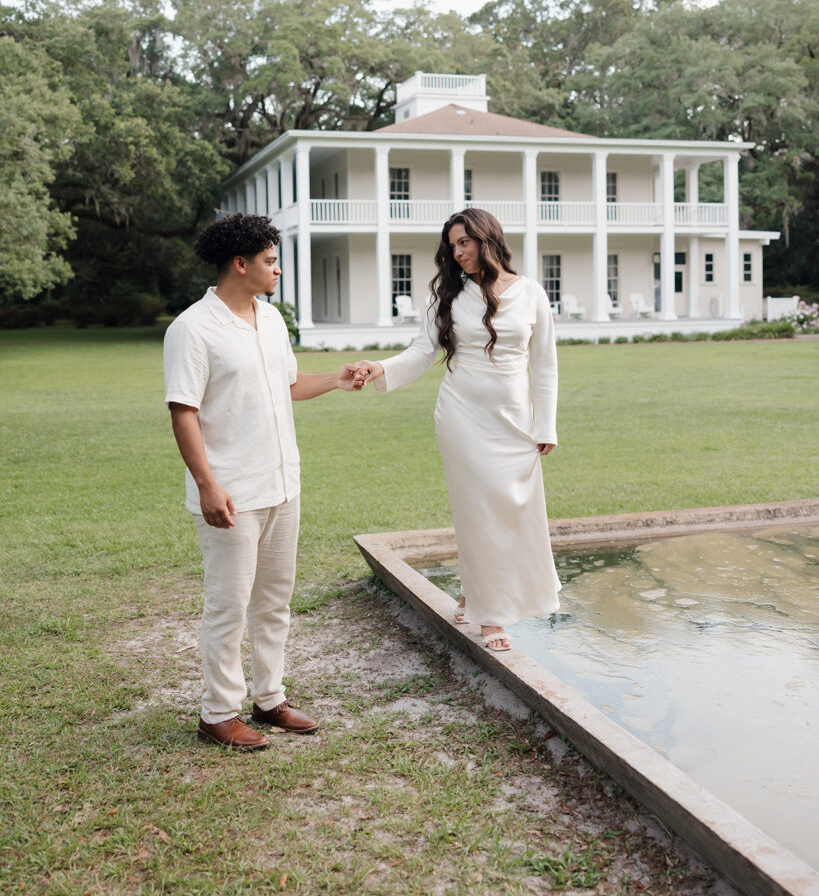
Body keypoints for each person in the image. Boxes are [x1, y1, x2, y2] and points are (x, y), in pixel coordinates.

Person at [163, 213, 363, 751]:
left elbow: (291, 384)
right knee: (228, 603)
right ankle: (217, 712)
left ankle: (269, 698)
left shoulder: (270, 319)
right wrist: (206, 483)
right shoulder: (192, 329)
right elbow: (184, 412)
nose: (278, 270)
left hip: (282, 485)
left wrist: (340, 380)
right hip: (231, 493)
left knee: (274, 599)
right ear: (240, 263)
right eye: (271, 261)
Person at [354, 208, 560, 652]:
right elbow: (419, 353)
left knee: (513, 510)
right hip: (462, 416)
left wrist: (546, 425)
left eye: (463, 242)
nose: (458, 253)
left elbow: (545, 367)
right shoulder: (450, 295)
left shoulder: (532, 294)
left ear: (487, 239)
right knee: (478, 511)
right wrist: (378, 367)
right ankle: (492, 615)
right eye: (452, 246)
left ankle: (472, 590)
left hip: (515, 423)